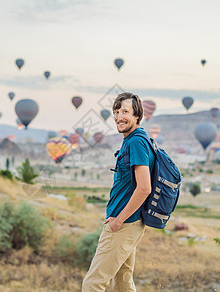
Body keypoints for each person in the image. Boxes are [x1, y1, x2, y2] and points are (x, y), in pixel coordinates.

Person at [82, 92, 155, 291]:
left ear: (137, 116)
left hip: (123, 224)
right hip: (129, 223)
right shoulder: (133, 139)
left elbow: (144, 187)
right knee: (122, 283)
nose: (118, 116)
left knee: (92, 283)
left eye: (125, 111)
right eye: (116, 111)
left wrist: (118, 220)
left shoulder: (136, 142)